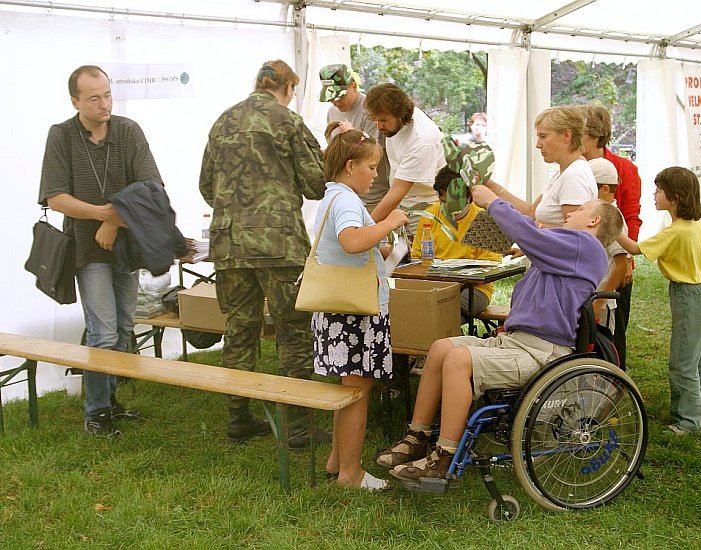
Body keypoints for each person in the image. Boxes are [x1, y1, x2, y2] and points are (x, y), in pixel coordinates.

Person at [375, 191, 624, 481]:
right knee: (440, 348)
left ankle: (444, 456)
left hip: (541, 352)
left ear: (594, 220)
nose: (569, 213)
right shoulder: (567, 250)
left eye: (579, 209)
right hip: (516, 340)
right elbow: (526, 242)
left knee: (457, 359)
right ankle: (417, 436)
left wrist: (493, 201)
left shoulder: (588, 247)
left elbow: (531, 236)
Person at [199, 60, 328, 447]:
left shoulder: (222, 121)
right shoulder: (287, 121)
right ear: (288, 88)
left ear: (256, 83)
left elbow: (207, 185)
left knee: (240, 327)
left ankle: (238, 417)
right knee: (293, 331)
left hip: (230, 243)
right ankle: (299, 429)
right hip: (278, 244)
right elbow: (316, 184)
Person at [39, 65, 161, 437]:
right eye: (94, 98)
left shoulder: (128, 131)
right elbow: (55, 196)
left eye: (107, 94)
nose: (104, 103)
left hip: (126, 245)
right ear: (75, 100)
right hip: (86, 250)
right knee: (103, 331)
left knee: (124, 328)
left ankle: (111, 402)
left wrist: (113, 221)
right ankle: (96, 412)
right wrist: (101, 215)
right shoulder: (61, 136)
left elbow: (152, 184)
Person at [312, 125, 409, 490]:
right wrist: (388, 223)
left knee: (348, 389)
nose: (375, 176)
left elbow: (353, 244)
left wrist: (385, 248)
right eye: (371, 168)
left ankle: (338, 460)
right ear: (351, 166)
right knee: (357, 392)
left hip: (342, 309)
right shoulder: (348, 201)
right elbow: (351, 241)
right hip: (356, 313)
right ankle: (350, 474)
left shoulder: (334, 197)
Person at [615, 167, 701, 435]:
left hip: (687, 294)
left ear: (674, 198)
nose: (654, 193)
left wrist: (611, 226)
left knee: (682, 360)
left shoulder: (675, 232)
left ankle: (690, 421)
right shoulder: (694, 225)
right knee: (700, 352)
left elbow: (635, 249)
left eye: (659, 190)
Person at [581, 105, 642, 369]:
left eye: (578, 132)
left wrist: (626, 258)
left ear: (594, 136)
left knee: (612, 332)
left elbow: (629, 216)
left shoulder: (622, 168)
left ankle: (616, 378)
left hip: (615, 259)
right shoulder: (574, 168)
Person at [410, 166, 503, 319]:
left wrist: (456, 283)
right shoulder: (430, 214)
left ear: (468, 197)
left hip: (474, 289)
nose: (448, 207)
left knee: (445, 310)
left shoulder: (485, 220)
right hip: (435, 285)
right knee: (407, 305)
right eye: (443, 200)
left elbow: (490, 267)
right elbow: (417, 259)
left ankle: (445, 341)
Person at [481, 106, 597, 228]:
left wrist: (532, 228)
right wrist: (489, 185)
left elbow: (574, 234)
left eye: (543, 136)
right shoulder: (564, 172)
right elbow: (531, 213)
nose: (538, 145)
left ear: (566, 135)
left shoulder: (574, 176)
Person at [364, 83, 446, 233]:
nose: (378, 126)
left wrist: (365, 229)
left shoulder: (421, 141)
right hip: (405, 203)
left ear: (400, 115)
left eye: (383, 120)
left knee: (419, 254)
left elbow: (397, 192)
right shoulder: (396, 124)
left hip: (424, 208)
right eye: (374, 120)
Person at [319, 64, 390, 212]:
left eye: (340, 97)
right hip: (344, 195)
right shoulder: (332, 112)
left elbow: (371, 154)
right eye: (331, 99)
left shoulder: (369, 111)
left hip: (372, 197)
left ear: (353, 85)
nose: (336, 102)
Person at [589, 157, 628, 332]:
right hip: (589, 298)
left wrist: (601, 301)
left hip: (602, 303)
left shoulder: (613, 218)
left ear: (605, 189)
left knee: (599, 346)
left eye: (590, 188)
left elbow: (620, 265)